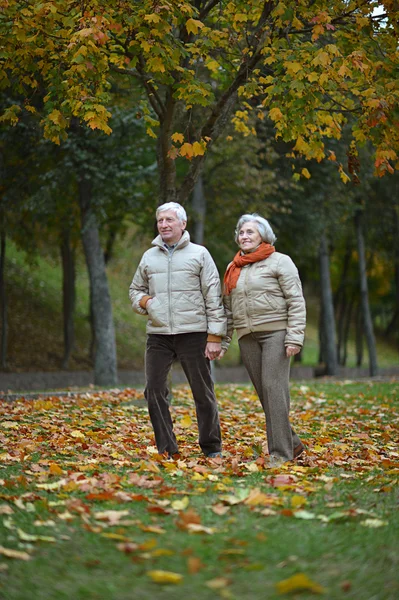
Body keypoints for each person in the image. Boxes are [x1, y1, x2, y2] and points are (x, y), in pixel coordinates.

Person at [129, 202, 226, 459]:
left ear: (183, 224)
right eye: (160, 220)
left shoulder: (200, 254)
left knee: (202, 392)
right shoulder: (149, 257)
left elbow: (213, 297)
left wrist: (215, 337)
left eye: (169, 220)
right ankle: (167, 448)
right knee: (154, 390)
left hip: (193, 333)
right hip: (159, 335)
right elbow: (134, 290)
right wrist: (147, 303)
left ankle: (211, 447)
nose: (163, 225)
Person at [220, 214, 306, 466]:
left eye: (250, 232)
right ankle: (293, 442)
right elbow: (227, 309)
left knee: (273, 389)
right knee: (266, 394)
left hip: (276, 333)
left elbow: (296, 301)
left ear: (263, 236)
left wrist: (294, 337)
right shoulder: (233, 267)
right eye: (241, 232)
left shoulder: (280, 261)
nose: (244, 236)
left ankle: (280, 454)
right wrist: (223, 341)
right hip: (247, 336)